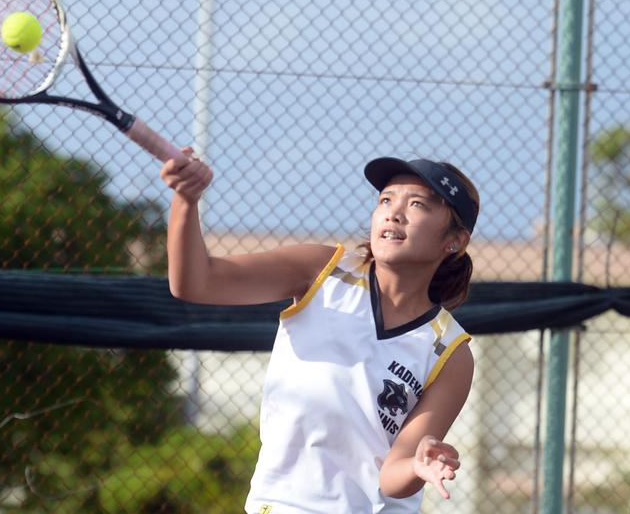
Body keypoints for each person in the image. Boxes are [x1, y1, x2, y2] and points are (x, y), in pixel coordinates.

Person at [160, 149, 479, 513]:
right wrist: (186, 200)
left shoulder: (450, 352)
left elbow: (392, 476)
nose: (393, 212)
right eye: (386, 199)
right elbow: (195, 283)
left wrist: (419, 465)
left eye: (418, 204)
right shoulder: (323, 270)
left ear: (454, 241)